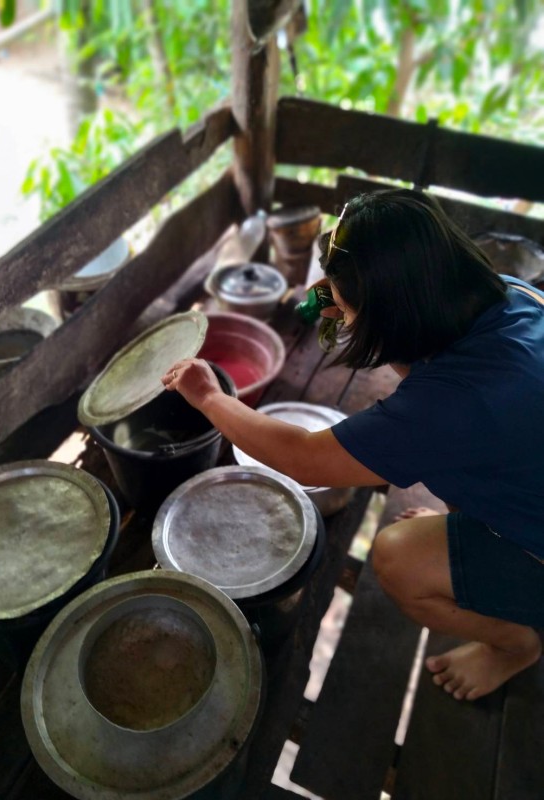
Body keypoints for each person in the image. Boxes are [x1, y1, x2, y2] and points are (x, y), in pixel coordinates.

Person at [161, 188, 544, 702]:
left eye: (344, 305)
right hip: (525, 478)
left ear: (393, 315)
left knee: (395, 557)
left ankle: (513, 646)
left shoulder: (447, 405)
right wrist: (339, 295)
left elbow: (300, 457)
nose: (331, 310)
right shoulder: (507, 295)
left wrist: (209, 396)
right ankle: (473, 533)